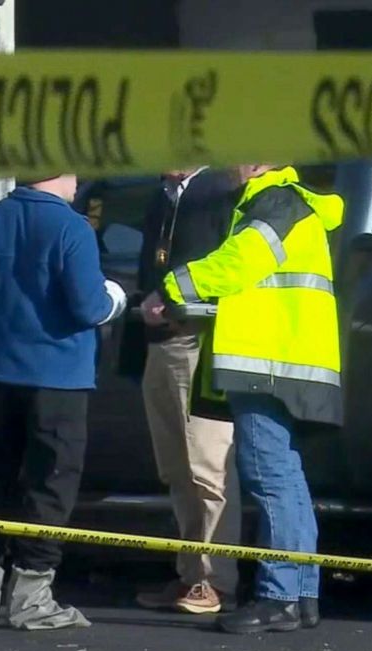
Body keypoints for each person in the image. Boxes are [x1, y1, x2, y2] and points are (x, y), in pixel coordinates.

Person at [141, 165, 344, 634]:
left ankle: (279, 597)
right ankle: (301, 594)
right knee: (287, 481)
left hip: (267, 365)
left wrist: (170, 288)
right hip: (286, 362)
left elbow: (238, 262)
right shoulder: (285, 203)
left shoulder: (275, 202)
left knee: (270, 478)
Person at [0, 173, 127, 631]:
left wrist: (3, 327)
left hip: (0, 373)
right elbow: (88, 307)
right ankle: (31, 596)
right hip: (60, 377)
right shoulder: (72, 227)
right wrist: (117, 299)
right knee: (51, 482)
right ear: (62, 174)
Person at [131, 167, 243, 615]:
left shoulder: (221, 192)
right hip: (159, 344)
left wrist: (180, 304)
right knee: (176, 468)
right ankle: (190, 575)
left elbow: (228, 267)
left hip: (199, 340)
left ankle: (219, 581)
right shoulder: (162, 198)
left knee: (208, 467)